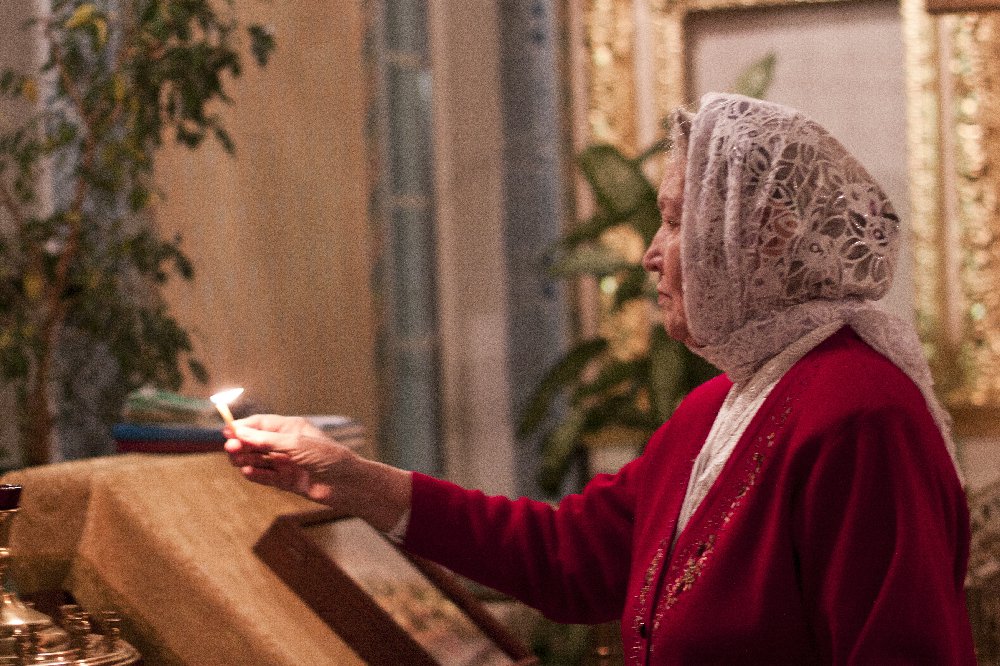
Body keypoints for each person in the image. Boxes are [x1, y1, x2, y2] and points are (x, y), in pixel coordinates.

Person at [225, 93, 976, 664]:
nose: (650, 253)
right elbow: (568, 559)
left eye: (674, 222)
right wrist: (353, 480)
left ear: (765, 238)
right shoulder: (719, 404)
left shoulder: (861, 415)